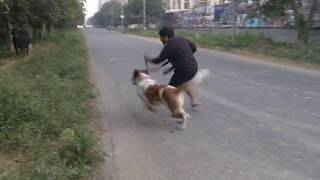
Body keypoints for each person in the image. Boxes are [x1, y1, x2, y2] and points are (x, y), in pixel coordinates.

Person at [144, 27, 199, 107]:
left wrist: (148, 59)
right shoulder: (182, 39)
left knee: (170, 90)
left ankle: (174, 108)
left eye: (161, 37)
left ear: (166, 37)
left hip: (183, 70)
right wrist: (185, 55)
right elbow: (194, 48)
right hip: (194, 67)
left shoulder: (168, 47)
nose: (161, 39)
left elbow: (158, 60)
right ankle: (194, 100)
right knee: (182, 82)